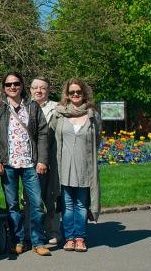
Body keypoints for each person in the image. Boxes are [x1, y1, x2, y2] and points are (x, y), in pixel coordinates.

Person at [0, 72, 51, 256]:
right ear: (4, 88)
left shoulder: (32, 107)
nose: (12, 87)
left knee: (37, 204)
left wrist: (42, 160)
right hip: (8, 164)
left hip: (31, 163)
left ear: (22, 86)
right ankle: (18, 240)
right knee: (12, 205)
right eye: (8, 85)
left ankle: (38, 241)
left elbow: (43, 134)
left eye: (16, 84)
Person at [51, 78, 101, 252]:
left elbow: (97, 139)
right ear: (67, 94)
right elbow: (53, 138)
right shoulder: (60, 114)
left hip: (84, 167)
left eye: (78, 92)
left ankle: (80, 237)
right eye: (72, 92)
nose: (75, 95)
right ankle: (69, 238)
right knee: (67, 204)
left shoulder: (92, 115)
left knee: (81, 204)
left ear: (84, 93)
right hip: (64, 167)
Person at [23, 77, 60, 245]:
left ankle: (52, 230)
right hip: (29, 159)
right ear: (30, 90)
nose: (38, 91)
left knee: (50, 195)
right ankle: (31, 231)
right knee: (30, 198)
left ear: (48, 90)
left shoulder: (57, 109)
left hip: (52, 158)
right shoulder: (23, 107)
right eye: (35, 87)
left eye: (42, 88)